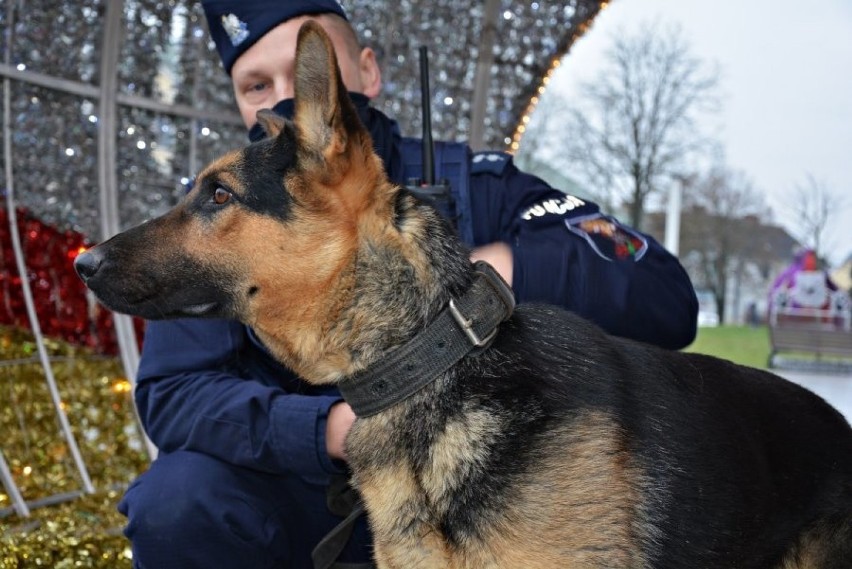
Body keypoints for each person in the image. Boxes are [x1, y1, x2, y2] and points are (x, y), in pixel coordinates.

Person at [117, 2, 699, 567]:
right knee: (176, 503)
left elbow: (663, 296)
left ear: (366, 71)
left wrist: (495, 269)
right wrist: (329, 430)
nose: (286, 99)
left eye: (305, 73)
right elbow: (174, 395)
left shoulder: (478, 187)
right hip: (312, 504)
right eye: (257, 86)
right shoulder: (229, 221)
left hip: (480, 502)